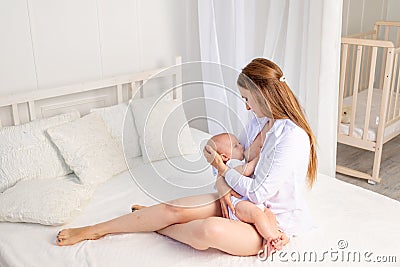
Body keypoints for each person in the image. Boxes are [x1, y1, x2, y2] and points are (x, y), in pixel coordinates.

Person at [56, 58, 317, 258]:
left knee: (207, 230)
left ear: (263, 93)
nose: (246, 107)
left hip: (270, 223)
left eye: (247, 99)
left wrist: (223, 173)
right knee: (175, 209)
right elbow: (231, 160)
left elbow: (257, 191)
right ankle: (95, 229)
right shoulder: (258, 123)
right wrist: (221, 177)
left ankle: (156, 225)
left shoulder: (291, 137)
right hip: (240, 199)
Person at [206, 132, 289, 253]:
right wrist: (260, 157)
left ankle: (271, 238)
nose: (241, 146)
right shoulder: (230, 164)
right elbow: (247, 170)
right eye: (236, 146)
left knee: (269, 214)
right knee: (257, 214)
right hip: (238, 203)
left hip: (249, 202)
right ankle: (271, 237)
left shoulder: (233, 163)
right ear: (224, 157)